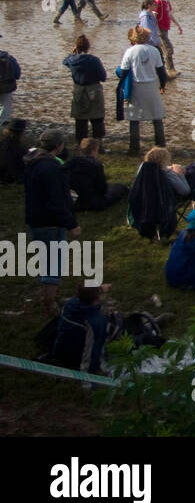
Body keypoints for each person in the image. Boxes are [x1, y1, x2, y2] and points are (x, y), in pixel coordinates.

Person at [25, 129, 80, 315]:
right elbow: (57, 200)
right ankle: (50, 303)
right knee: (54, 262)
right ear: (59, 146)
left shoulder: (33, 161)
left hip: (35, 217)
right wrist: (71, 223)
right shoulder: (51, 168)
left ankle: (47, 295)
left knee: (45, 259)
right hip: (50, 221)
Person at [118, 26, 166, 155]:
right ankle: (160, 145)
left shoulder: (129, 51)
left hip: (136, 87)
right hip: (151, 86)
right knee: (157, 117)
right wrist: (163, 85)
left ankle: (134, 148)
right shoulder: (154, 50)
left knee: (134, 118)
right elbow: (161, 71)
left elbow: (123, 72)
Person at [51, 285, 113, 375]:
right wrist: (87, 377)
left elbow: (85, 294)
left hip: (59, 350)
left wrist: (98, 290)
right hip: (76, 358)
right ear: (97, 298)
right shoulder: (95, 321)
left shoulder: (71, 304)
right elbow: (91, 350)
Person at [63, 35, 107, 144]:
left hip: (79, 90)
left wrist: (73, 53)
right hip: (94, 90)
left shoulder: (72, 60)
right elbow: (103, 77)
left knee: (80, 119)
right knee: (97, 118)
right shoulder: (94, 60)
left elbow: (64, 61)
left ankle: (81, 143)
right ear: (88, 47)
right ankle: (98, 143)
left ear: (76, 47)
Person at [66, 138, 127, 213]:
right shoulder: (96, 165)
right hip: (94, 202)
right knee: (119, 187)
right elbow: (102, 188)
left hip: (76, 200)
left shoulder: (71, 162)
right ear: (94, 150)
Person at [155, 0, 183, 74]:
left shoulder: (167, 2)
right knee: (168, 49)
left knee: (165, 49)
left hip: (166, 28)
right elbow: (154, 15)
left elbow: (169, 14)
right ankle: (170, 70)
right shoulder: (158, 1)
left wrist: (178, 25)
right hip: (159, 28)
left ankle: (170, 70)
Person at [0, 46, 18, 127]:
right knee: (4, 109)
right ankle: (2, 128)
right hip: (6, 88)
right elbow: (17, 74)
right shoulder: (8, 57)